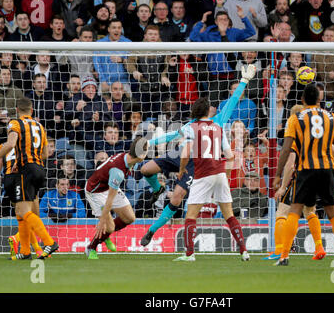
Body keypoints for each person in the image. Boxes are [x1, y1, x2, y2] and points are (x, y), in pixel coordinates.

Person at [139, 65, 257, 248]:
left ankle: (151, 231)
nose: (214, 107)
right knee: (145, 169)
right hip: (179, 155)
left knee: (177, 197)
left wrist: (244, 81)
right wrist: (150, 143)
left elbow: (233, 100)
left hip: (195, 164)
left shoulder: (218, 121)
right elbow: (171, 136)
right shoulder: (191, 124)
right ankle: (157, 190)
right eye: (210, 105)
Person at [273, 84, 334, 266]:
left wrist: (277, 175)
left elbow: (285, 150)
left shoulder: (295, 119)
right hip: (326, 170)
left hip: (305, 170)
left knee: (295, 210)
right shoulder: (332, 117)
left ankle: (284, 256)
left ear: (302, 100)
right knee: (332, 213)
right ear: (319, 99)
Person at [173, 97, 249, 262]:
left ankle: (189, 254)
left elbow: (186, 153)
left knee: (191, 216)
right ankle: (244, 251)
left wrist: (181, 169)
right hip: (220, 173)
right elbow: (229, 156)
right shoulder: (218, 128)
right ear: (208, 111)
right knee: (229, 215)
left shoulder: (191, 127)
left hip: (203, 175)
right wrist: (225, 175)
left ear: (194, 111)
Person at [0, 96, 59, 260]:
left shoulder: (15, 124)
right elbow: (46, 153)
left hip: (24, 171)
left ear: (17, 110)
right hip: (40, 169)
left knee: (24, 211)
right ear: (32, 110)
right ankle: (26, 251)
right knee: (24, 211)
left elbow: (10, 145)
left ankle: (49, 242)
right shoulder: (40, 126)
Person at [264, 104, 326, 261]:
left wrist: (283, 187)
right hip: (317, 175)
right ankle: (319, 247)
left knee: (282, 213)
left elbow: (290, 164)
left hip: (299, 178)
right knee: (310, 212)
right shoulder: (313, 137)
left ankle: (279, 250)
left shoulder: (294, 137)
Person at [85, 137, 149, 259]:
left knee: (129, 218)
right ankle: (91, 247)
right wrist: (103, 220)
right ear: (140, 156)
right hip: (95, 192)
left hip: (109, 185)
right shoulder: (118, 172)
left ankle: (105, 234)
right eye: (145, 153)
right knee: (108, 226)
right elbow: (110, 199)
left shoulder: (128, 157)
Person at [0, 143, 44, 257]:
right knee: (34, 217)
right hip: (23, 180)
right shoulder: (25, 144)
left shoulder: (3, 147)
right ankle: (19, 240)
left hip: (9, 182)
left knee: (25, 217)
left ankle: (32, 249)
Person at [189, 10, 255, 107]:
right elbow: (193, 37)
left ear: (229, 21)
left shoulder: (234, 32)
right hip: (216, 78)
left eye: (225, 20)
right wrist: (202, 21)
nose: (223, 22)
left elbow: (251, 32)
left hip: (232, 77)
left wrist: (243, 17)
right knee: (212, 106)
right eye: (220, 20)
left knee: (233, 105)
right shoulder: (209, 34)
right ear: (216, 22)